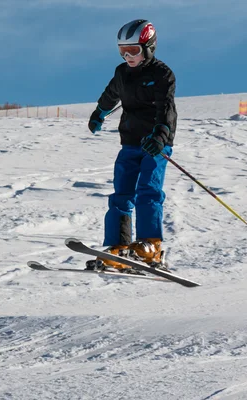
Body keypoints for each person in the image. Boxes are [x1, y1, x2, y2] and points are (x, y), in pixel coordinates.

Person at [87, 19, 177, 271]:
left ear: (149, 48)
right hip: (129, 141)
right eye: (122, 51)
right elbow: (110, 94)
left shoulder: (162, 74)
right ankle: (118, 246)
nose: (128, 56)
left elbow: (166, 108)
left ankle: (151, 246)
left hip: (155, 144)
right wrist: (99, 113)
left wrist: (160, 135)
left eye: (134, 51)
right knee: (121, 194)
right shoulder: (122, 73)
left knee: (148, 191)